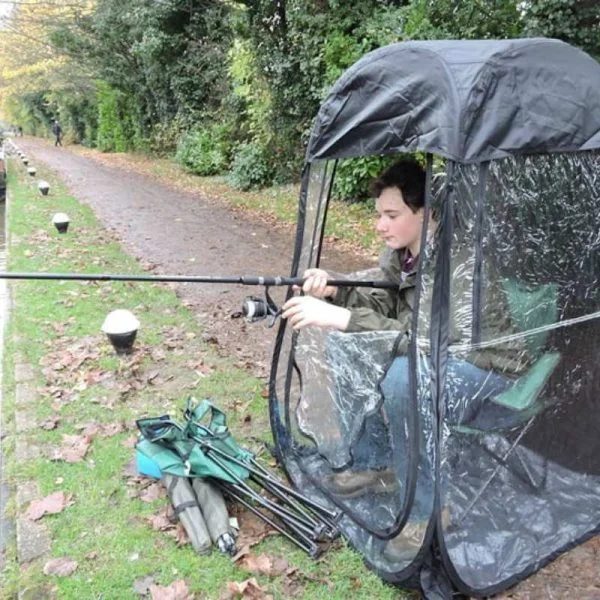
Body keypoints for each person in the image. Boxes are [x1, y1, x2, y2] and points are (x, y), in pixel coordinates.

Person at [281, 158, 532, 559]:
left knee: (403, 378)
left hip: (489, 371)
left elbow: (428, 345)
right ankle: (379, 464)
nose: (380, 224)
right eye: (379, 214)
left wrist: (344, 318)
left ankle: (430, 512)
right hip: (433, 357)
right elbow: (387, 306)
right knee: (357, 347)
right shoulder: (402, 255)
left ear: (425, 212)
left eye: (391, 214)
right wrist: (336, 293)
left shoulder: (459, 263)